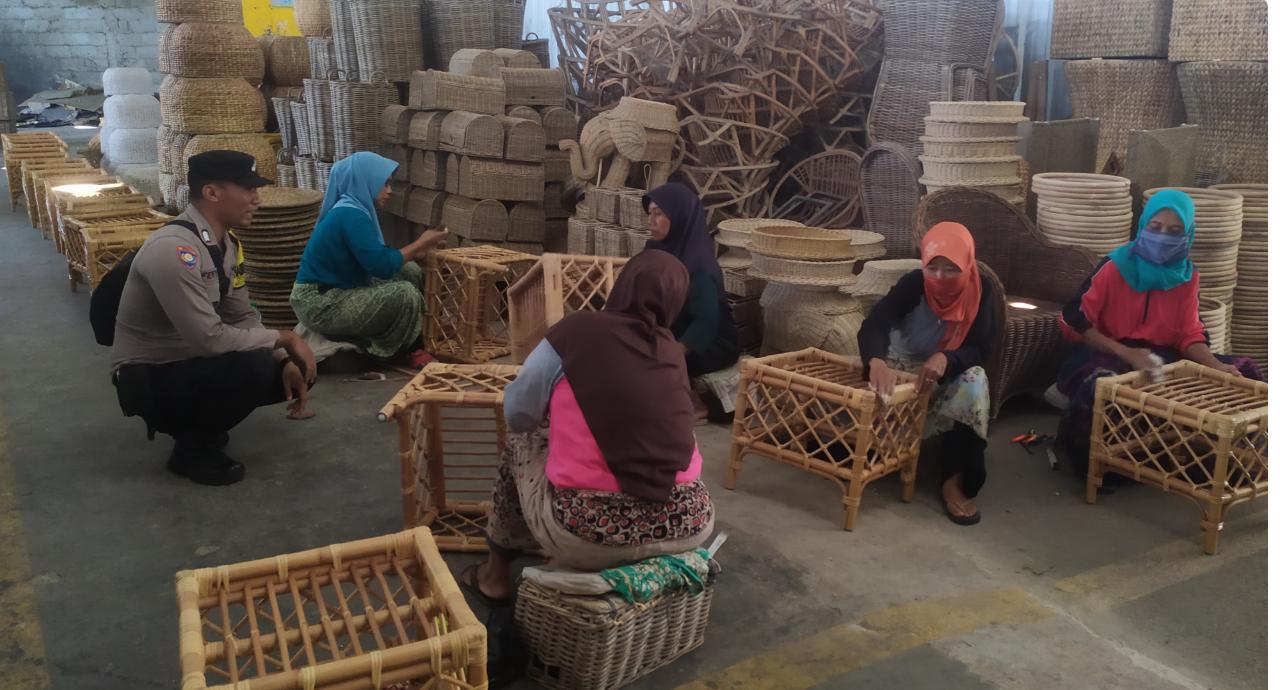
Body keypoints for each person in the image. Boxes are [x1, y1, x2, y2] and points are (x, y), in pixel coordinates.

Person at [463, 251, 715, 603]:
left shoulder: (575, 331)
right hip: (690, 524)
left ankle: (495, 576)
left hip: (589, 534)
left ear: (624, 285)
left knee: (524, 437)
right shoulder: (671, 351)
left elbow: (518, 412)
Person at [111, 150, 318, 486]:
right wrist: (285, 337)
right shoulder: (174, 250)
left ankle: (201, 424)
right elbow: (209, 339)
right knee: (253, 366)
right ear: (211, 192)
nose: (257, 199)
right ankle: (191, 448)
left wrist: (284, 359)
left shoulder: (226, 245)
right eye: (248, 189)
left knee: (296, 367)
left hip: (187, 360)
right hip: (150, 374)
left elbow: (242, 315)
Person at [1056, 189, 1264, 478]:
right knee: (1106, 384)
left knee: (1245, 373)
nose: (1163, 236)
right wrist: (1127, 352)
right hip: (1107, 350)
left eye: (1174, 231)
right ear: (1143, 226)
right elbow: (1073, 319)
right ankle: (1106, 464)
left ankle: (1222, 466)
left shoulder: (1187, 276)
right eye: (1155, 227)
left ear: (1188, 234)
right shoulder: (1115, 267)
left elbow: (1189, 334)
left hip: (1164, 356)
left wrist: (1215, 366)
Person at [857, 222, 1000, 525]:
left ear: (967, 264)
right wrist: (876, 361)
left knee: (975, 380)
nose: (939, 277)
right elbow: (875, 324)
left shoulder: (982, 291)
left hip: (943, 371)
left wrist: (946, 357)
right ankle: (885, 447)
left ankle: (953, 480)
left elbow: (981, 348)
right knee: (860, 412)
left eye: (951, 269)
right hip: (900, 365)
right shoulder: (913, 283)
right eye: (932, 267)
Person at [291, 152, 447, 366]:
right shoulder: (350, 215)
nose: (389, 191)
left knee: (408, 270)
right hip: (319, 302)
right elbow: (381, 266)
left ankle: (421, 330)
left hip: (336, 290)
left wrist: (416, 254)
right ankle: (403, 349)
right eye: (384, 183)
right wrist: (421, 243)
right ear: (364, 181)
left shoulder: (353, 210)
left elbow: (377, 257)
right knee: (405, 294)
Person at [642, 182, 738, 422]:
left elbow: (705, 322)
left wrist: (673, 352)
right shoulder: (654, 251)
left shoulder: (698, 266)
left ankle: (698, 404)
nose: (651, 221)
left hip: (709, 342)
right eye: (650, 213)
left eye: (659, 214)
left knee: (650, 365)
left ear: (680, 218)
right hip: (674, 330)